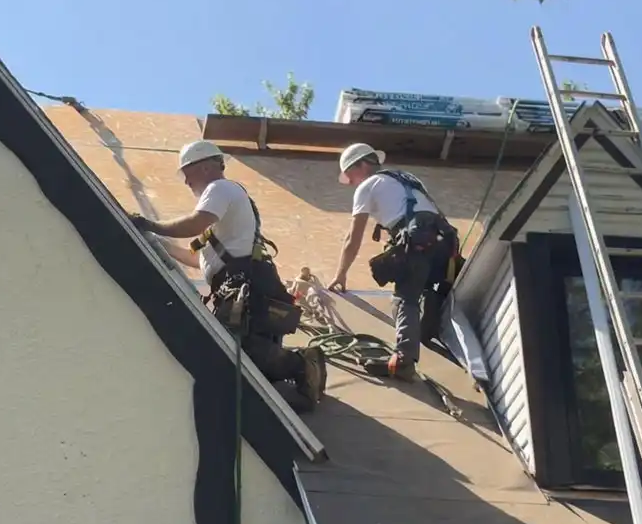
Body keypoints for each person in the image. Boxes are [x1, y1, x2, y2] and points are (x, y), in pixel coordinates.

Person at [131, 141, 327, 409]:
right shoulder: (220, 215)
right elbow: (199, 260)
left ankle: (303, 365)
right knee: (238, 349)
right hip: (240, 283)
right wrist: (157, 241)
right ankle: (296, 370)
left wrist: (151, 225)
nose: (186, 182)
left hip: (247, 283)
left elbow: (194, 223)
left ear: (205, 167)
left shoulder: (220, 189)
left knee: (241, 346)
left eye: (187, 173)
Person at [327, 143, 459, 381]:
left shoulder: (368, 186)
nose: (353, 183)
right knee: (429, 287)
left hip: (418, 241)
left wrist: (341, 273)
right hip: (444, 241)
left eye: (350, 175)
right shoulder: (405, 179)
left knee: (404, 299)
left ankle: (403, 362)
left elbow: (353, 237)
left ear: (362, 165)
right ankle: (428, 331)